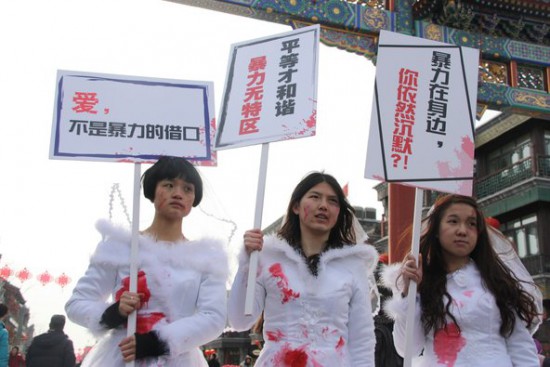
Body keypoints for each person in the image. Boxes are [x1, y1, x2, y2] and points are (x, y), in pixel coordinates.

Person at [65, 156, 228, 366]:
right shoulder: (120, 247)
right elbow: (77, 303)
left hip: (178, 359)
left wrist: (157, 342)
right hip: (122, 357)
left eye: (187, 189)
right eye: (169, 185)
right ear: (152, 190)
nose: (178, 194)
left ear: (193, 200)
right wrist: (114, 312)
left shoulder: (206, 258)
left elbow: (213, 317)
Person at [228, 172, 378, 366]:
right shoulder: (269, 257)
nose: (323, 205)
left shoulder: (352, 265)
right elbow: (240, 320)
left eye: (332, 201)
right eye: (315, 197)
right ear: (296, 206)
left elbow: (361, 340)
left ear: (339, 212)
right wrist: (247, 262)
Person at [382, 194, 540, 366]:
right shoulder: (421, 283)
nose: (463, 231)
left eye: (471, 224)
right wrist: (409, 293)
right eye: (453, 221)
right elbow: (407, 348)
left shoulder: (496, 281)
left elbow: (520, 346)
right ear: (435, 229)